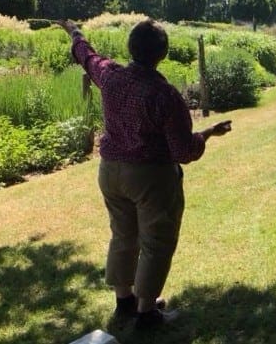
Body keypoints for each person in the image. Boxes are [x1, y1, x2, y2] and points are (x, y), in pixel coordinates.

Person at [57, 19, 232, 330]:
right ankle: (147, 312)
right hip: (150, 177)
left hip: (110, 172)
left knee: (123, 235)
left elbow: (87, 55)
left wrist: (74, 32)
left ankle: (124, 300)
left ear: (130, 48)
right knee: (156, 242)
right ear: (162, 53)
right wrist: (207, 134)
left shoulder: (110, 75)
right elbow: (183, 152)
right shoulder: (165, 95)